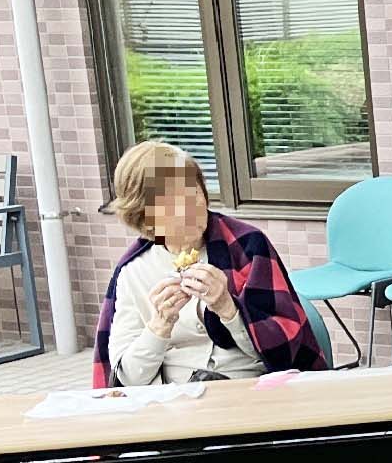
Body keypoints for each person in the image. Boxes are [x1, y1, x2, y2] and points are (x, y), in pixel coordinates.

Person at [89, 141, 323, 388]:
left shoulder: (246, 246)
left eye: (193, 190)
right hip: (175, 395)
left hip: (246, 386)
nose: (190, 207)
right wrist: (160, 325)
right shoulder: (133, 271)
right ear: (145, 215)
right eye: (173, 200)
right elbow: (126, 380)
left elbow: (284, 352)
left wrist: (227, 307)